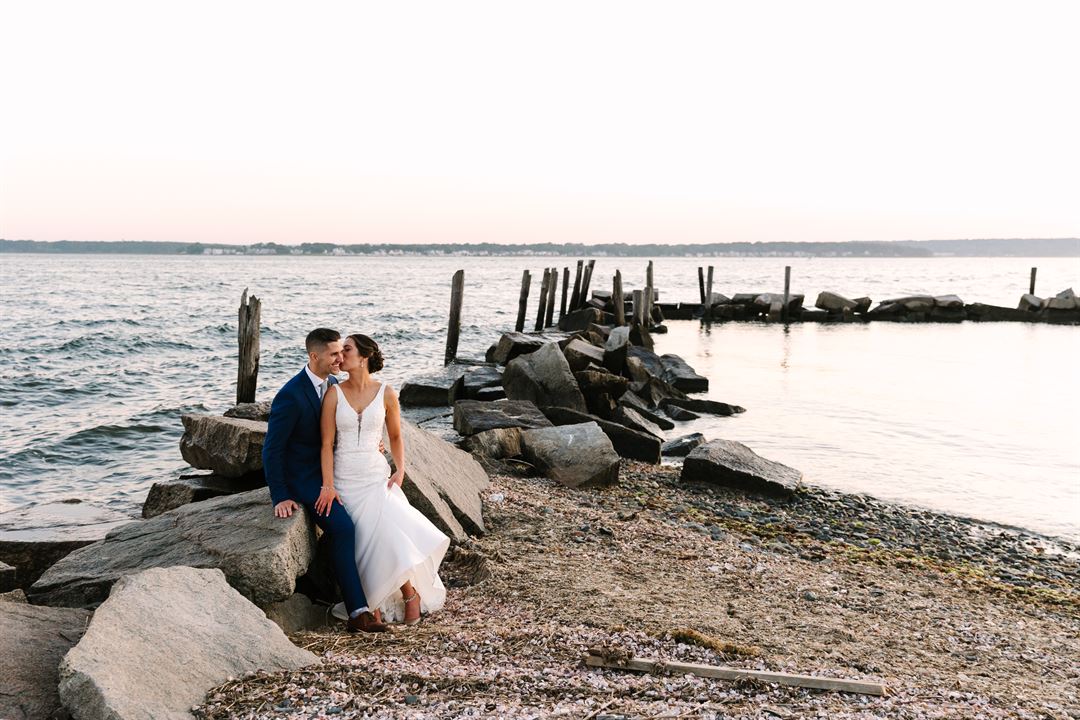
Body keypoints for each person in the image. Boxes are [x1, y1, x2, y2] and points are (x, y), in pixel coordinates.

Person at [318, 333, 449, 625]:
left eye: (347, 350)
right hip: (344, 478)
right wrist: (328, 484)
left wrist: (400, 469)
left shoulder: (386, 393)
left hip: (376, 475)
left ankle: (410, 595)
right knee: (362, 542)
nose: (340, 355)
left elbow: (396, 436)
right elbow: (326, 444)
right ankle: (372, 602)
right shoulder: (333, 394)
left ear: (364, 357)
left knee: (387, 535)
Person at [262, 328, 388, 633]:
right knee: (344, 528)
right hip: (306, 479)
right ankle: (358, 612)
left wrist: (371, 444)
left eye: (342, 352)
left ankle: (381, 595)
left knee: (374, 518)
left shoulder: (332, 385)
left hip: (337, 470)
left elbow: (339, 429)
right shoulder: (291, 395)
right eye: (333, 354)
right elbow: (272, 449)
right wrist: (280, 495)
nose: (340, 358)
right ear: (314, 356)